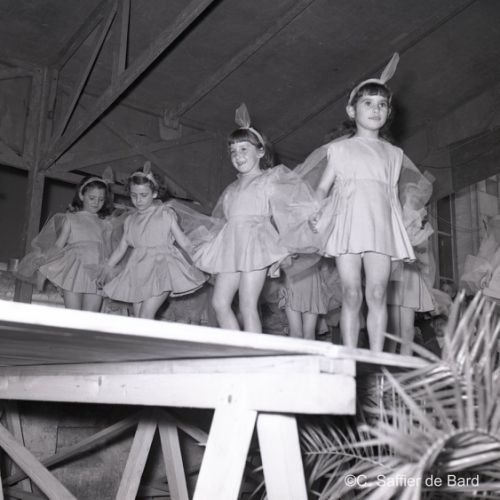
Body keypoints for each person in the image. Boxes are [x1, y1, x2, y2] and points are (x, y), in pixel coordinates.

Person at [309, 53, 415, 351]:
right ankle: (350, 357)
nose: (375, 109)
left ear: (388, 112)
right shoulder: (340, 150)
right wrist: (315, 211)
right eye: (368, 103)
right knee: (352, 293)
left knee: (378, 293)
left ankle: (377, 358)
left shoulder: (394, 155)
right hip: (348, 224)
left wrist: (404, 229)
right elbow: (322, 188)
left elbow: (393, 196)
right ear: (351, 110)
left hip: (380, 226)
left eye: (382, 104)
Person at [184, 104, 311, 333]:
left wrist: (288, 246)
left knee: (247, 304)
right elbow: (223, 221)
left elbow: (288, 210)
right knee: (219, 303)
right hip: (231, 244)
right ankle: (236, 346)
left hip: (255, 243)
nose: (238, 155)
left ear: (260, 152)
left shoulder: (269, 179)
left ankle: (253, 351)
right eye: (233, 151)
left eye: (244, 149)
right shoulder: (231, 188)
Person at [100, 163, 206, 319]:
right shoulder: (130, 220)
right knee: (138, 318)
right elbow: (121, 248)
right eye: (134, 195)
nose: (138, 200)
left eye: (144, 195)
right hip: (138, 270)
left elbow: (183, 241)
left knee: (145, 315)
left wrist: (201, 259)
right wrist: (107, 268)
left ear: (155, 193)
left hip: (161, 268)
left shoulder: (165, 213)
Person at [16, 170, 115, 311]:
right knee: (73, 315)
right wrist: (45, 258)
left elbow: (109, 250)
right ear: (81, 195)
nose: (96, 202)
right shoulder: (71, 219)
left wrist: (109, 270)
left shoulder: (105, 224)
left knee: (91, 317)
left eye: (101, 199)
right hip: (74, 270)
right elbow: (58, 245)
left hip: (96, 271)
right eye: (92, 198)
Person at [387, 172, 435, 355]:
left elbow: (423, 256)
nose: (416, 201)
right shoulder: (392, 216)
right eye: (413, 197)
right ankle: (388, 363)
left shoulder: (419, 223)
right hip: (392, 272)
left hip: (409, 274)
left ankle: (403, 364)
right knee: (391, 328)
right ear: (404, 197)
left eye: (418, 198)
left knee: (407, 329)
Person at [279, 255, 328, 339]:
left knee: (309, 334)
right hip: (292, 279)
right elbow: (278, 255)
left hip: (312, 281)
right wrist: (280, 281)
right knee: (296, 333)